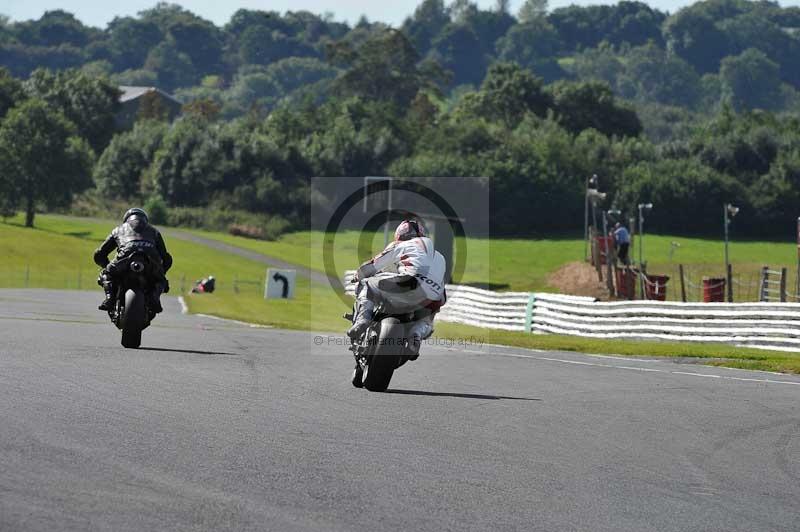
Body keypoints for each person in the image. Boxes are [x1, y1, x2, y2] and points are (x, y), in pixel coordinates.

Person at [347, 219, 447, 354]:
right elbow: (442, 293)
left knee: (365, 283)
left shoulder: (402, 245)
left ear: (399, 235)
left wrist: (357, 275)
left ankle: (363, 320)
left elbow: (373, 265)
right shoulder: (440, 256)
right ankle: (416, 335)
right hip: (434, 295)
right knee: (427, 319)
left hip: (408, 282)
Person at [94, 208, 173, 313]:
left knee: (106, 274)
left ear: (126, 219)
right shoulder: (154, 231)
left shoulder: (118, 229)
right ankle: (154, 297)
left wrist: (106, 266)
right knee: (161, 280)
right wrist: (161, 272)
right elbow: (166, 257)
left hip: (124, 258)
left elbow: (99, 253)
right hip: (150, 260)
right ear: (145, 219)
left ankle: (110, 298)